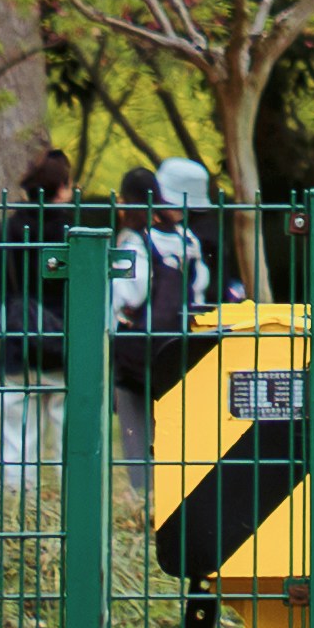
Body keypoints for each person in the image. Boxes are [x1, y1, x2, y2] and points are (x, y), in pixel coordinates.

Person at [109, 162, 210, 513]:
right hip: (177, 346)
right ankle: (175, 495)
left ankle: (142, 498)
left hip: (136, 350)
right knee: (172, 425)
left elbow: (129, 295)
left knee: (135, 427)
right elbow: (198, 290)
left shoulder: (136, 240)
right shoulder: (188, 240)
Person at [0, 146, 71, 487]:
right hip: (63, 345)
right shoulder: (74, 233)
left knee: (16, 434)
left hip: (17, 344)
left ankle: (18, 502)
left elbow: (1, 291)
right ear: (62, 189)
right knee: (70, 433)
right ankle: (72, 496)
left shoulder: (0, 233)